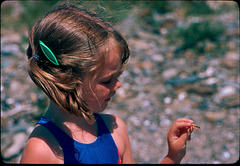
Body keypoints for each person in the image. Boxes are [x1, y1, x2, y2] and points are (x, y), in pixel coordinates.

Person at [20, 3, 194, 164]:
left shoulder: (115, 129)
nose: (118, 85)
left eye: (117, 76)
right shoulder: (42, 149)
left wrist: (172, 156)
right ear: (67, 81)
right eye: (106, 80)